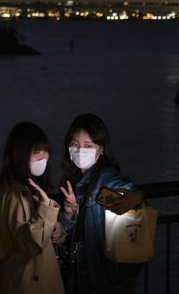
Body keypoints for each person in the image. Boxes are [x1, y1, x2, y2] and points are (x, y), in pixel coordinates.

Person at [58, 114, 144, 294]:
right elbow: (73, 234)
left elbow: (125, 190)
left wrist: (134, 197)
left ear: (101, 149)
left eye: (88, 146)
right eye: (75, 144)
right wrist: (68, 214)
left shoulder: (106, 180)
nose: (81, 150)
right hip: (84, 281)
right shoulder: (76, 182)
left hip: (107, 284)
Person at [0, 122, 64, 293]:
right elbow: (30, 244)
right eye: (36, 152)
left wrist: (56, 228)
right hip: (28, 281)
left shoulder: (26, 187)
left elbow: (37, 231)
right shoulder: (16, 195)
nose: (43, 156)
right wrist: (46, 207)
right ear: (19, 155)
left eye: (45, 150)